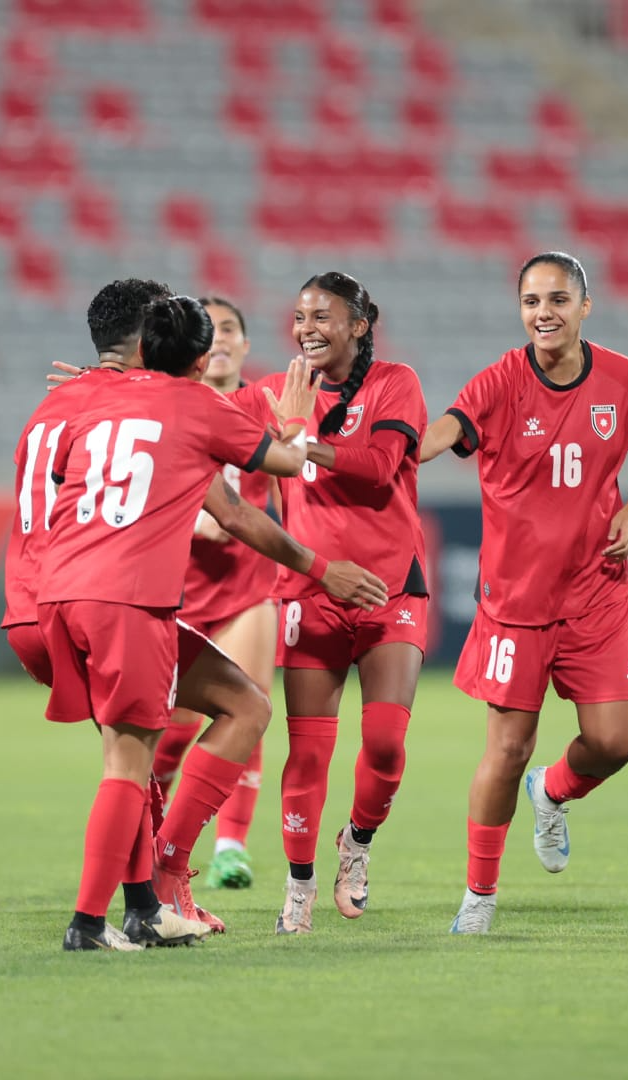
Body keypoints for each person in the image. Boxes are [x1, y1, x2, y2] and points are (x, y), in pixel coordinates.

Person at [14, 281, 388, 945]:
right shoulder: (195, 405)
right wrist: (297, 419)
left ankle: (146, 905)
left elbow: (227, 510)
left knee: (224, 714)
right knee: (131, 763)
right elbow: (287, 463)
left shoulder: (94, 397)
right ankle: (91, 922)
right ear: (199, 358)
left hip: (57, 594)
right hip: (126, 599)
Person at [420, 251, 628, 935]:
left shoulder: (623, 379)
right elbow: (446, 430)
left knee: (615, 742)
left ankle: (552, 791)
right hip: (517, 603)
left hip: (597, 591)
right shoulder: (501, 381)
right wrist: (398, 449)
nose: (544, 313)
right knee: (508, 749)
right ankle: (479, 896)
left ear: (585, 306)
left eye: (558, 299)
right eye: (531, 302)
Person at [230, 271, 430, 935]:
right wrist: (112, 383)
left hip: (391, 588)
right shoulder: (278, 390)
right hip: (311, 594)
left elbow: (379, 464)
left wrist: (298, 439)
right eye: (299, 316)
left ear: (358, 325)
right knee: (309, 753)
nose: (306, 328)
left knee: (387, 744)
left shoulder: (395, 382)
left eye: (322, 316)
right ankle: (299, 885)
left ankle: (358, 842)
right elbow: (203, 411)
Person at [151, 296, 275, 891]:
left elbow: (295, 474)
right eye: (211, 330)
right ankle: (153, 839)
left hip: (248, 583)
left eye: (230, 328)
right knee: (172, 729)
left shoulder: (267, 405)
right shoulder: (169, 406)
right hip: (179, 586)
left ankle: (230, 846)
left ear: (246, 345)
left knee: (247, 706)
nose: (220, 338)